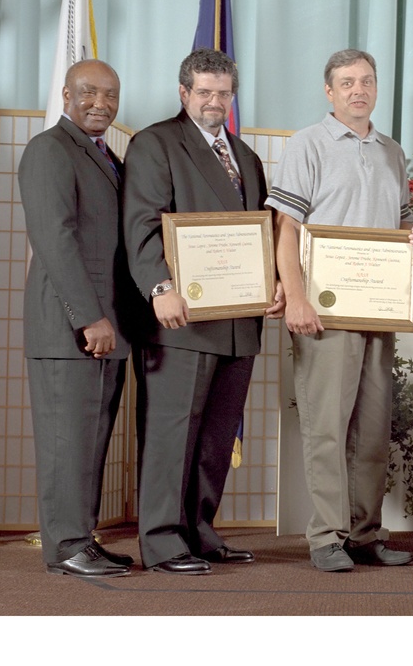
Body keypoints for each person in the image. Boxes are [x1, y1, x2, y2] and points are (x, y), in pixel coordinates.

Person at [267, 48, 413, 572]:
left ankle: (364, 533)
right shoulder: (307, 144)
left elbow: (403, 226)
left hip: (379, 309)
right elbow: (286, 229)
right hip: (325, 311)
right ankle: (325, 537)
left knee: (372, 427)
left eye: (366, 81)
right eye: (346, 82)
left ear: (377, 88)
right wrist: (295, 296)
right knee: (327, 427)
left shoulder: (391, 151)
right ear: (329, 91)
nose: (357, 90)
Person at [122, 48, 285, 575]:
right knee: (172, 431)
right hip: (182, 316)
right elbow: (142, 224)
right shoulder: (154, 144)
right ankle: (163, 540)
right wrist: (159, 286)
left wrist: (275, 284)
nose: (215, 102)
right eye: (205, 92)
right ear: (183, 93)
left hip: (240, 321)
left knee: (217, 434)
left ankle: (200, 529)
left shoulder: (246, 156)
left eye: (223, 93)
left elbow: (260, 236)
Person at [20, 59, 141, 577]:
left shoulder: (108, 157)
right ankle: (66, 546)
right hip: (72, 328)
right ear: (66, 94)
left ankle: (81, 539)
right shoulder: (49, 150)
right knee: (67, 441)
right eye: (89, 93)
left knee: (90, 440)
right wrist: (89, 317)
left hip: (106, 328)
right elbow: (56, 239)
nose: (101, 103)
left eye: (110, 95)